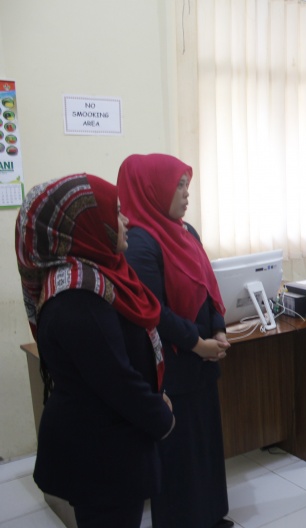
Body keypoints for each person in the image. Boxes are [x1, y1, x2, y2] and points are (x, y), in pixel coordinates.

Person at [15, 174, 174, 528]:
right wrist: (160, 415)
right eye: (115, 212)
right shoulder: (78, 298)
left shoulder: (97, 275)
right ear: (88, 225)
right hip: (101, 457)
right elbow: (117, 380)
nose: (125, 220)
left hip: (108, 443)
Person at [117, 154, 233, 528]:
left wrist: (218, 328)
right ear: (153, 190)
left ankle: (211, 515)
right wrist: (198, 344)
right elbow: (155, 311)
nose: (186, 194)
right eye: (178, 185)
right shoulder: (139, 242)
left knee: (205, 444)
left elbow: (208, 285)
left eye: (186, 185)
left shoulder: (186, 231)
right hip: (174, 363)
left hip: (202, 356)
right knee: (180, 453)